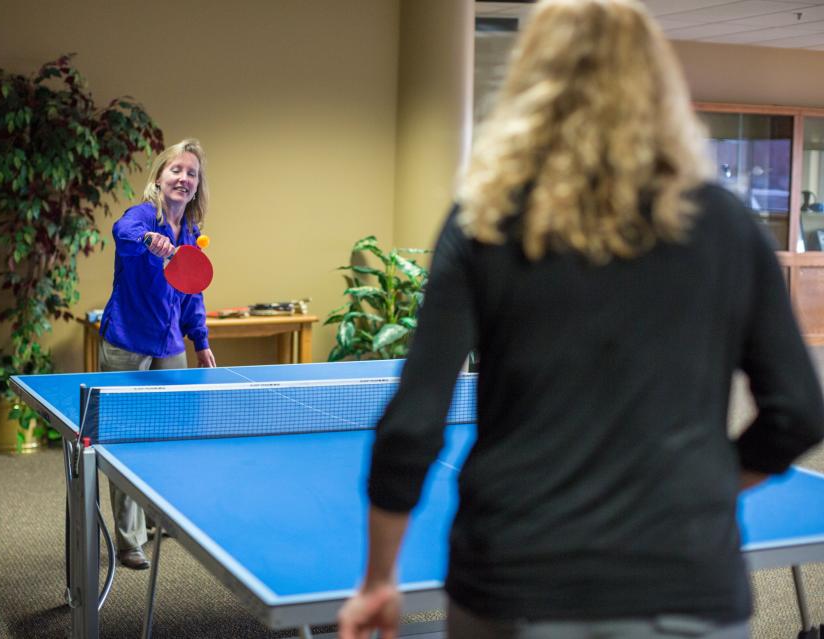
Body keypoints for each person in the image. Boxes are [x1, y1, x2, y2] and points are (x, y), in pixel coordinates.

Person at [337, 1, 824, 637]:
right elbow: (800, 411)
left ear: (531, 85)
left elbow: (412, 424)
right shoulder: (728, 227)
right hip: (686, 579)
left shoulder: (483, 222)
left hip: (514, 577)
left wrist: (378, 578)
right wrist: (703, 487)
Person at [98, 138, 216, 569]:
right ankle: (129, 540)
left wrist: (200, 341)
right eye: (176, 170)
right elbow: (122, 233)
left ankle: (156, 516)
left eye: (192, 173)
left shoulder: (190, 233)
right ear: (160, 176)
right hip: (127, 342)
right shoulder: (142, 216)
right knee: (125, 441)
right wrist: (150, 239)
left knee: (168, 439)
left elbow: (191, 294)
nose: (183, 178)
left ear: (197, 185)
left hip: (170, 346)